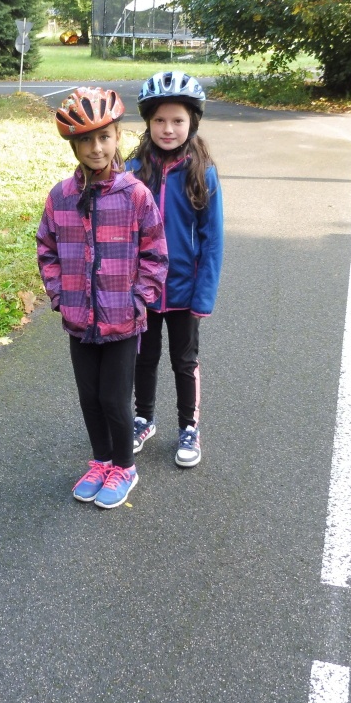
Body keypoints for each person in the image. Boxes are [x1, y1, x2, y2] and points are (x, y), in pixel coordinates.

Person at [36, 87, 168, 509]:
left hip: (122, 320)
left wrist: (139, 299)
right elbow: (47, 249)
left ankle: (125, 467)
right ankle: (102, 462)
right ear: (74, 146)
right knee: (90, 398)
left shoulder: (135, 195)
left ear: (118, 137)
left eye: (105, 137)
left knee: (114, 398)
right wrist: (60, 295)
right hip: (79, 318)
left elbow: (155, 252)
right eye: (87, 141)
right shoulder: (60, 197)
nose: (96, 148)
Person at [126, 70, 223, 468]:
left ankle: (189, 427)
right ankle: (143, 419)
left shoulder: (202, 172)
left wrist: (204, 295)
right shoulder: (133, 170)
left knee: (184, 362)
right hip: (143, 290)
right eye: (160, 120)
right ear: (148, 122)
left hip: (185, 291)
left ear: (192, 122)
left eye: (178, 120)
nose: (168, 129)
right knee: (142, 359)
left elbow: (212, 239)